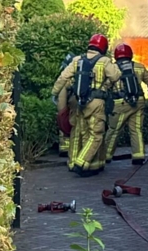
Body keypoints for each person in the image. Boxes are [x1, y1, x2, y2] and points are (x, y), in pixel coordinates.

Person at [51, 34, 120, 177]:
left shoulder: (77, 60)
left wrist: (55, 93)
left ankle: (73, 162)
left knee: (78, 134)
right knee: (96, 134)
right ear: (103, 47)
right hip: (96, 103)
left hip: (79, 102)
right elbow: (115, 76)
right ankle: (81, 162)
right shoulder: (104, 61)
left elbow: (63, 77)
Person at [103, 43, 148, 165]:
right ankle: (138, 156)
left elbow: (106, 86)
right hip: (138, 102)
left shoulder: (113, 68)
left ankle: (105, 156)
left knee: (114, 130)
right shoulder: (139, 67)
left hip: (120, 103)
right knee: (136, 130)